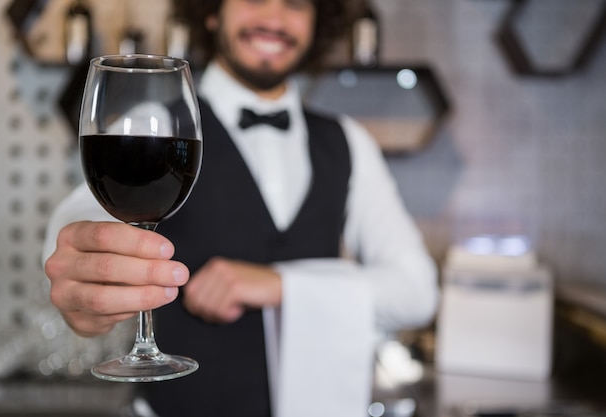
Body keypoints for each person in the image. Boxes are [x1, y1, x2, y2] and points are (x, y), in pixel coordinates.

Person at [43, 0, 438, 416]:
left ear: (318, 21)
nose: (273, 17)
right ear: (212, 12)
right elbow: (72, 228)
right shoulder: (151, 125)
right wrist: (83, 283)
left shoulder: (349, 142)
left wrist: (278, 283)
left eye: (295, 4)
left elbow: (417, 292)